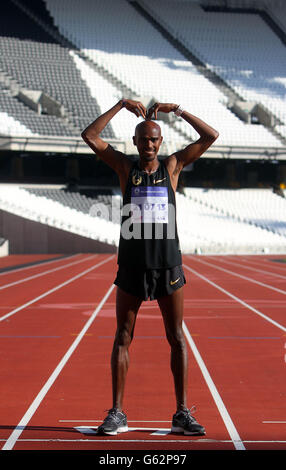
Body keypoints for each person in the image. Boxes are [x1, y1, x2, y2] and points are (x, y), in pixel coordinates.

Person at [81, 99, 219, 436]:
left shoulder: (172, 167)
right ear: (135, 142)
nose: (149, 144)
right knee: (123, 337)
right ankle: (117, 413)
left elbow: (210, 136)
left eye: (154, 139)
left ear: (161, 142)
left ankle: (182, 413)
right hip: (131, 266)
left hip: (168, 266)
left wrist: (180, 112)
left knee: (177, 338)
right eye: (143, 139)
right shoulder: (125, 169)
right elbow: (90, 135)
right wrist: (119, 105)